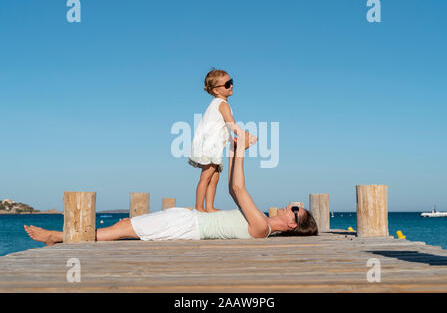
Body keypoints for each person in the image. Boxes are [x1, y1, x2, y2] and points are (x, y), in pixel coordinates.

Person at [24, 133, 318, 246]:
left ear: (292, 224)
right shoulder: (261, 224)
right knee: (125, 226)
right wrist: (233, 149)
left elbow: (238, 188)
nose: (290, 205)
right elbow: (232, 189)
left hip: (189, 224)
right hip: (190, 220)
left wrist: (240, 149)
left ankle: (59, 237)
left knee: (126, 228)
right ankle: (63, 238)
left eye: (296, 208)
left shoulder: (262, 228)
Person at [188, 68, 257, 212]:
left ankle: (210, 207)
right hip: (209, 146)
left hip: (213, 145)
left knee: (215, 177)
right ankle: (199, 207)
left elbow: (223, 128)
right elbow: (231, 124)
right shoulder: (222, 104)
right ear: (216, 91)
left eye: (231, 82)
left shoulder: (218, 104)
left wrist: (234, 139)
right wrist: (245, 135)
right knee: (206, 177)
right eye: (227, 84)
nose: (231, 86)